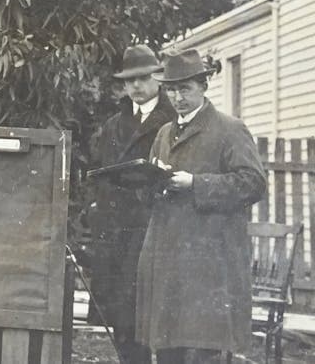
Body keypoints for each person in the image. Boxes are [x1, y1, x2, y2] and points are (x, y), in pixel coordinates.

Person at [136, 49, 266, 363]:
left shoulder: (229, 129)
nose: (177, 97)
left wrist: (196, 184)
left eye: (185, 89)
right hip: (168, 256)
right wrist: (146, 182)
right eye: (171, 89)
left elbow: (253, 183)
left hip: (210, 261)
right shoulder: (165, 133)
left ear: (203, 86)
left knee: (204, 348)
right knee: (166, 346)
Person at [87, 45, 174, 364]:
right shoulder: (114, 124)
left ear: (158, 79)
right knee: (120, 315)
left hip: (152, 226)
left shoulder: (173, 121)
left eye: (143, 78)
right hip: (114, 229)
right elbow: (97, 170)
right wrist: (95, 209)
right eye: (129, 80)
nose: (136, 86)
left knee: (156, 311)